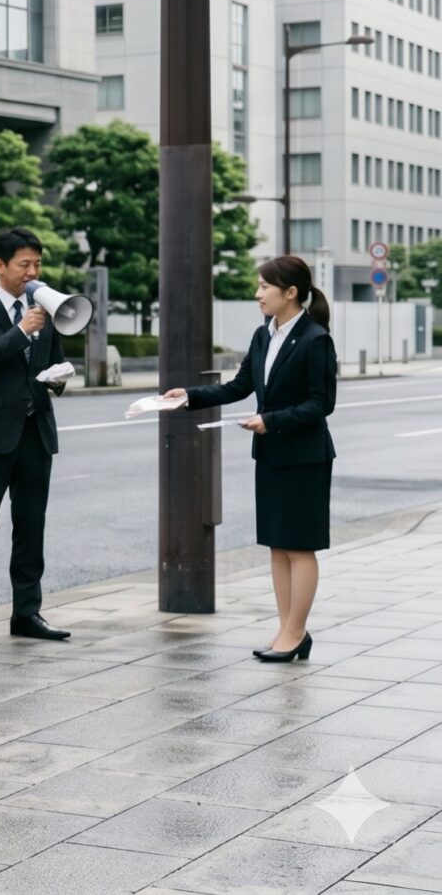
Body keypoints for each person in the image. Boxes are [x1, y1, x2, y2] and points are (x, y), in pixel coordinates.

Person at [165, 255, 337, 662]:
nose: (257, 294)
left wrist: (270, 420)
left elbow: (321, 404)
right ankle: (287, 631)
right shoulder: (265, 335)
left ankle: (295, 633)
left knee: (300, 547)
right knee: (278, 546)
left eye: (265, 287)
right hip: (272, 453)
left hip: (305, 457)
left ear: (290, 293)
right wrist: (189, 396)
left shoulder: (315, 339)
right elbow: (240, 385)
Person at [0, 229, 72, 644]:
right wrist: (21, 331)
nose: (33, 272)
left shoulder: (45, 308)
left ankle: (27, 613)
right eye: (25, 264)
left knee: (30, 526)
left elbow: (52, 363)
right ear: (0, 266)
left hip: (34, 432)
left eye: (37, 264)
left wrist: (59, 379)